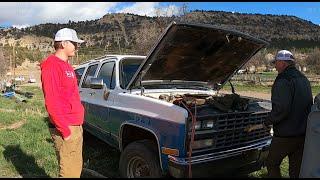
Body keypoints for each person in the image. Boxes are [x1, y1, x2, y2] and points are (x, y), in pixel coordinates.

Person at [40, 28, 85, 177]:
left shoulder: (66, 65)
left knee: (75, 170)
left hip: (75, 126)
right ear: (64, 43)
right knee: (69, 174)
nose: (76, 47)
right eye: (74, 43)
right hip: (66, 128)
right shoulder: (51, 64)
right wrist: (65, 131)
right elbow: (52, 101)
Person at [263, 50, 313, 178]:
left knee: (272, 163)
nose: (275, 66)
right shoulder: (304, 79)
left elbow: (281, 109)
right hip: (302, 133)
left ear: (283, 63)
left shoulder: (283, 80)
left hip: (286, 135)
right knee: (296, 169)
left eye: (276, 63)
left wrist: (267, 121)